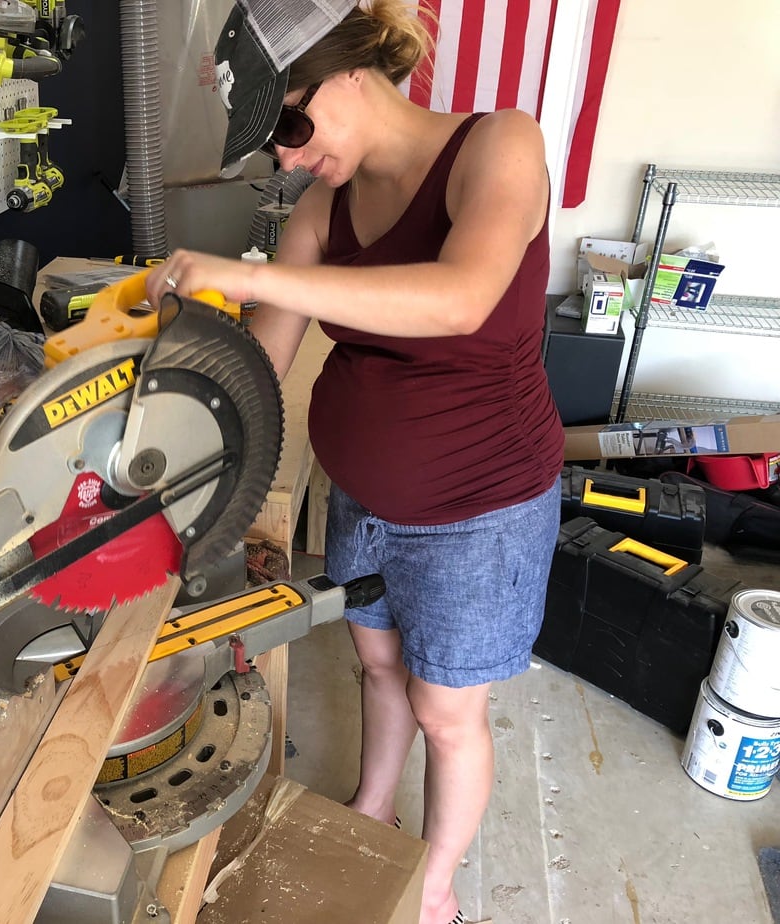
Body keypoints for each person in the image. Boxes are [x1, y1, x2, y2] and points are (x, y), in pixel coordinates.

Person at [146, 2, 565, 923]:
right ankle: (373, 808)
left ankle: (438, 880)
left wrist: (248, 272)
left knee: (447, 713)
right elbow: (260, 368)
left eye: (290, 125)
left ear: (348, 72)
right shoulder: (323, 210)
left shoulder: (500, 146)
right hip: (366, 500)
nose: (288, 158)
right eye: (274, 145)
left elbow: (459, 298)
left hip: (479, 506)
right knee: (377, 671)